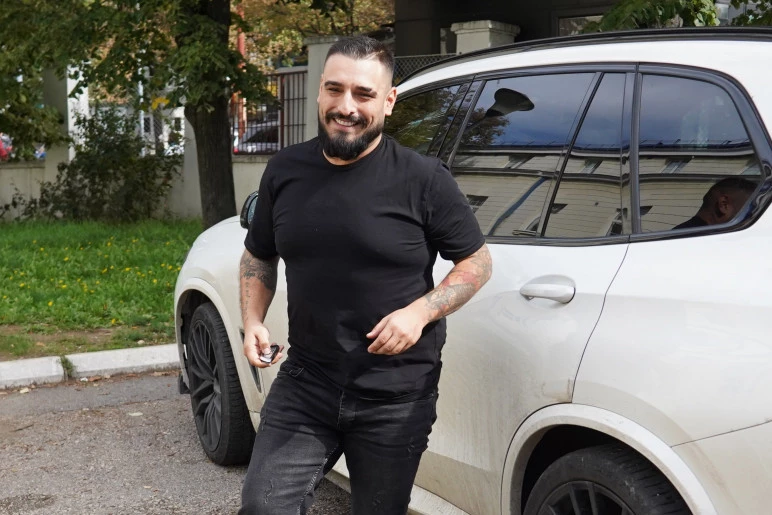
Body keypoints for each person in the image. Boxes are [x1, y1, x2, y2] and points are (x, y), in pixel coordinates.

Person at [238, 35, 492, 515]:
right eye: (335, 89)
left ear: (388, 101)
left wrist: (420, 313)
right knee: (263, 506)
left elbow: (476, 262)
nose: (346, 107)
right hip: (307, 381)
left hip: (395, 395)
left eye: (363, 94)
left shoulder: (423, 178)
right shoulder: (284, 170)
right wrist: (252, 320)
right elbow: (258, 255)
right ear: (320, 91)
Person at [673, 177, 757, 229]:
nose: (754, 216)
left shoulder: (680, 235)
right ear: (724, 204)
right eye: (751, 209)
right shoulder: (698, 243)